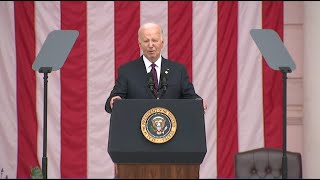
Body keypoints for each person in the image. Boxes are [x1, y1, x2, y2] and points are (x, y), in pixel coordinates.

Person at [105, 22, 207, 113]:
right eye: (146, 41)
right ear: (139, 44)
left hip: (171, 130)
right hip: (137, 131)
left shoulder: (178, 70)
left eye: (154, 40)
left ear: (162, 43)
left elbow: (190, 97)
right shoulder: (127, 71)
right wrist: (114, 100)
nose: (150, 45)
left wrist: (198, 102)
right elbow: (112, 102)